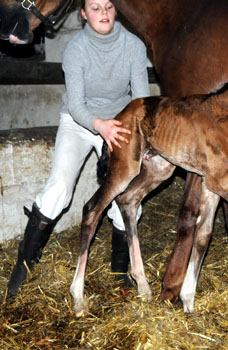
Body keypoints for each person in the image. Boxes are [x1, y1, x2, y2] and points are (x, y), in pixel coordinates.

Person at [6, 0, 150, 299]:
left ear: (117, 10)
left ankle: (119, 272)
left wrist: (140, 137)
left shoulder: (134, 46)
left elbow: (141, 99)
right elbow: (76, 103)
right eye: (95, 8)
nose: (104, 14)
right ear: (83, 14)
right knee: (59, 188)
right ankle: (23, 268)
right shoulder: (76, 48)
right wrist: (100, 125)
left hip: (120, 122)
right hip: (79, 121)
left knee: (125, 194)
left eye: (109, 6)